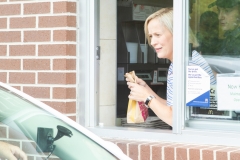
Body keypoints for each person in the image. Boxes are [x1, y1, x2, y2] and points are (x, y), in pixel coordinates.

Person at [126, 8, 173, 126]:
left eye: (158, 35)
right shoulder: (179, 64)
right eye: (151, 36)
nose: (152, 42)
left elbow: (175, 118)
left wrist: (147, 97)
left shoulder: (187, 67)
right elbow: (174, 108)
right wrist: (146, 90)